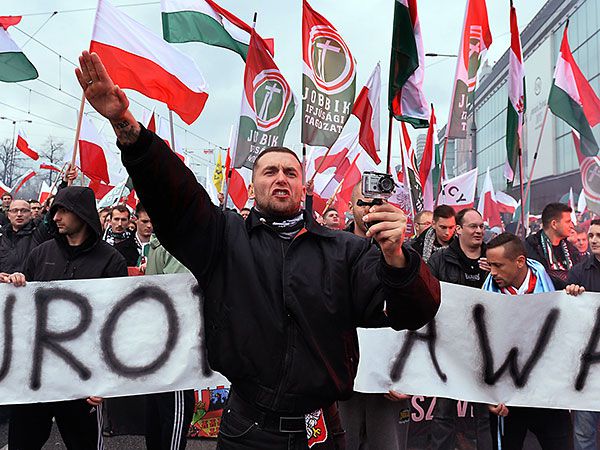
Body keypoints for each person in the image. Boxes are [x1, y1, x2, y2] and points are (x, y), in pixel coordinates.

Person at [76, 49, 441, 449]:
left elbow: (413, 312)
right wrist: (124, 124)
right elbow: (172, 193)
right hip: (244, 429)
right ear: (252, 188)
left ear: (304, 188)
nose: (280, 178)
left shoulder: (347, 251)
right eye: (269, 171)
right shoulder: (223, 238)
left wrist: (398, 259)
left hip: (318, 432)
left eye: (290, 172)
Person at [4, 186, 128, 450]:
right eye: (55, 210)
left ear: (82, 214)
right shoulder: (41, 254)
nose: (56, 217)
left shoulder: (111, 260)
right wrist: (14, 284)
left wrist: (105, 381)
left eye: (63, 210)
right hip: (35, 376)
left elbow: (116, 326)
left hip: (81, 379)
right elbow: (25, 310)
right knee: (21, 442)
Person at [338, 182, 411, 450]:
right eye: (363, 202)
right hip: (343, 379)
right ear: (350, 207)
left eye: (376, 202)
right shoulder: (331, 251)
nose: (370, 208)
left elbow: (422, 316)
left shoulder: (406, 256)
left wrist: (408, 375)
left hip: (389, 383)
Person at [483, 232, 572, 450]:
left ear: (520, 261)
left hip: (548, 396)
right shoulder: (483, 298)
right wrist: (488, 395)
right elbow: (479, 351)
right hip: (507, 400)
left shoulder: (556, 287)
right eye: (490, 265)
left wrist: (575, 295)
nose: (492, 272)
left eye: (498, 265)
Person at [427, 208, 492, 450]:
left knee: (485, 415)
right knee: (444, 413)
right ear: (459, 230)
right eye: (473, 226)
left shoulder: (493, 256)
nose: (478, 231)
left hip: (486, 350)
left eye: (481, 226)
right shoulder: (440, 260)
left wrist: (495, 274)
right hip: (450, 347)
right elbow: (429, 295)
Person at [143, 236, 195, 450]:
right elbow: (179, 293)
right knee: (173, 414)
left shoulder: (159, 241)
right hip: (174, 345)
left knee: (158, 416)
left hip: (158, 343)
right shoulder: (178, 243)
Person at [565, 219, 600, 450]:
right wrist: (571, 293)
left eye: (599, 235)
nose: (594, 240)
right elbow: (567, 316)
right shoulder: (578, 271)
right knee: (584, 432)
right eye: (592, 235)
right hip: (588, 365)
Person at [525, 202, 580, 289]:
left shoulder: (572, 250)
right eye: (568, 222)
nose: (572, 226)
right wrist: (566, 286)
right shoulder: (531, 247)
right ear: (554, 224)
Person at [0, 199, 48, 274]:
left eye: (24, 211)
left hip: (31, 284)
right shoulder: (2, 237)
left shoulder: (39, 233)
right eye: (14, 211)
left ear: (30, 214)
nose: (19, 214)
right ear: (9, 215)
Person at [114, 203, 153, 267]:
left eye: (152, 221)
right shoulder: (120, 249)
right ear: (135, 220)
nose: (149, 226)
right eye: (144, 221)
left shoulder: (163, 247)